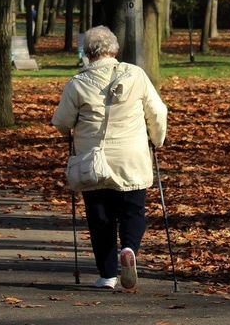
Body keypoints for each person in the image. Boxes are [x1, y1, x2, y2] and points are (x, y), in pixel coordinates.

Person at [52, 25, 167, 290]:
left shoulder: (77, 83)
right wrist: (157, 139)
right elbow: (158, 111)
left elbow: (61, 122)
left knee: (100, 216)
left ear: (89, 53)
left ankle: (107, 275)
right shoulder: (136, 75)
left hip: (94, 160)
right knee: (133, 210)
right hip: (132, 157)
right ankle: (129, 248)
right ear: (114, 50)